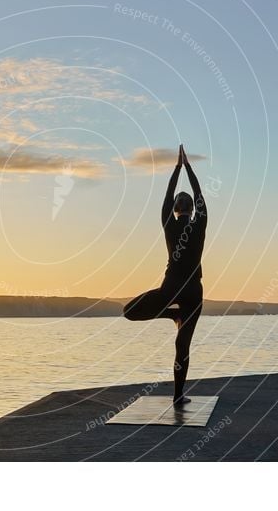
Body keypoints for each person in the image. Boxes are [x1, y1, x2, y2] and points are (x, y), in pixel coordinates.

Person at [123, 144, 207, 407]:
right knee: (182, 347)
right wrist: (188, 168)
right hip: (191, 291)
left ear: (176, 208)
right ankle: (178, 395)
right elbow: (198, 193)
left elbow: (170, 194)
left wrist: (177, 168)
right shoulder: (199, 222)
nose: (180, 202)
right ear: (191, 209)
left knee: (129, 311)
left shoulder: (169, 222)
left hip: (172, 288)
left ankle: (172, 314)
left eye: (179, 202)